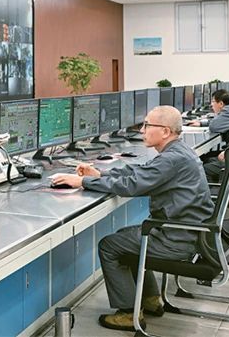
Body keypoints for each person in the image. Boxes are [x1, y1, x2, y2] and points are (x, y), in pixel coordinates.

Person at [52, 106, 213, 331]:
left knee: (109, 246)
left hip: (176, 239)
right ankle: (151, 299)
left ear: (165, 131)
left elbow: (132, 185)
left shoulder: (171, 159)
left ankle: (128, 313)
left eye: (147, 125)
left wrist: (83, 182)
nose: (142, 130)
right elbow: (143, 171)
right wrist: (100, 174)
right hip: (187, 232)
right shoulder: (179, 151)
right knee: (125, 237)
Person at [190, 90, 229, 181]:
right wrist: (202, 123)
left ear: (221, 103)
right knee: (207, 158)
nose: (211, 105)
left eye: (213, 101)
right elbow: (223, 122)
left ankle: (210, 189)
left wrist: (215, 116)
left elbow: (214, 126)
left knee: (200, 169)